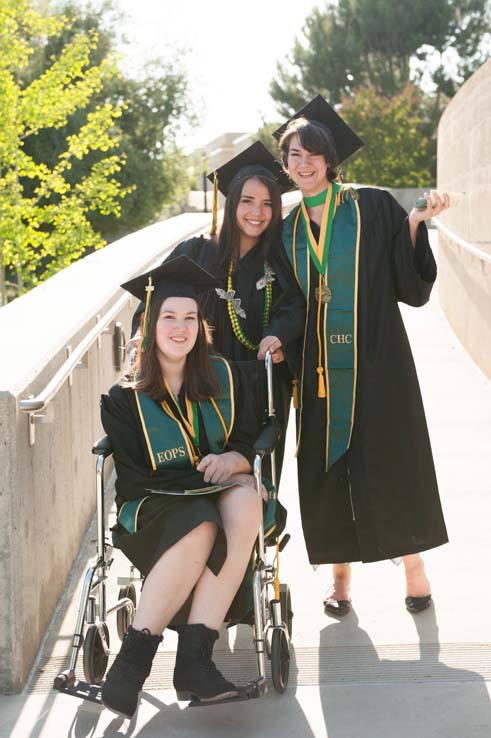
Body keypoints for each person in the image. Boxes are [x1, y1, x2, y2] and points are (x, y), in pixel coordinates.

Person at [274, 95, 449, 616]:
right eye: (293, 156)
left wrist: (416, 221)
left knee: (389, 462)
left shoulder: (369, 205)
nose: (303, 164)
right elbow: (286, 299)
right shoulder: (286, 229)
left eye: (312, 154)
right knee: (330, 470)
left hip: (377, 361)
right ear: (285, 166)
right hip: (318, 372)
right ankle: (340, 578)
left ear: (330, 160)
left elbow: (407, 277)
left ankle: (414, 569)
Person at [100, 255, 278, 717]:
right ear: (150, 325)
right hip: (154, 506)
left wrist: (237, 462)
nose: (180, 328)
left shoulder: (223, 377)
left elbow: (250, 435)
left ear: (202, 325)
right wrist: (213, 472)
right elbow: (139, 480)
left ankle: (195, 665)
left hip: (213, 492)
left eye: (190, 318)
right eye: (169, 318)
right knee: (202, 523)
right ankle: (131, 666)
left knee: (243, 510)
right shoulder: (124, 400)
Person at [132, 141, 305, 486]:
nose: (257, 212)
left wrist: (281, 336)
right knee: (200, 481)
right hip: (199, 383)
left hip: (260, 390)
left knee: (254, 486)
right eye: (247, 201)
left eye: (268, 204)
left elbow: (298, 306)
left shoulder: (283, 258)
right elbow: (155, 298)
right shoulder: (197, 252)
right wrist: (142, 332)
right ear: (230, 204)